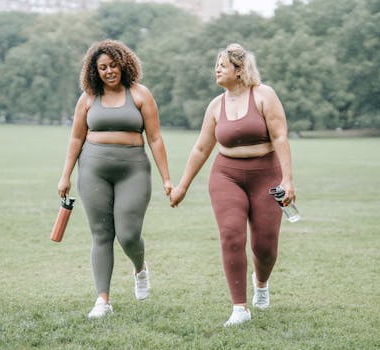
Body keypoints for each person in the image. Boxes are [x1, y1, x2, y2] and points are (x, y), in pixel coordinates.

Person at [169, 43, 296, 327]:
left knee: (265, 245)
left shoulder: (264, 95)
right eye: (216, 64)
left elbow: (280, 138)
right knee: (230, 235)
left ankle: (261, 283)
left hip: (266, 174)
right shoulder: (216, 106)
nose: (217, 69)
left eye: (222, 65)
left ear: (239, 71)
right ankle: (239, 307)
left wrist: (287, 180)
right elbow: (201, 149)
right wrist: (182, 187)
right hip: (226, 175)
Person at [58, 39, 173, 319]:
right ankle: (103, 300)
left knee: (128, 234)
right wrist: (65, 176)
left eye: (113, 65)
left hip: (133, 169)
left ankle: (140, 267)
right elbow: (76, 138)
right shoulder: (87, 98)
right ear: (94, 71)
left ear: (124, 64)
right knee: (101, 235)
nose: (109, 71)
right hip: (93, 170)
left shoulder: (140, 94)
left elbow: (155, 139)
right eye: (102, 68)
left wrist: (167, 179)